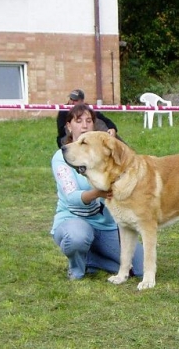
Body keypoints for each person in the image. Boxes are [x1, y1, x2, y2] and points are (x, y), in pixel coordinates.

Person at [51, 103, 143, 280]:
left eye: (89, 121)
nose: (85, 125)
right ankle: (77, 268)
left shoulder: (104, 155)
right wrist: (98, 193)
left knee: (138, 269)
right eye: (78, 121)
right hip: (73, 220)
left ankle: (91, 261)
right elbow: (71, 197)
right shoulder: (61, 157)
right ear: (69, 126)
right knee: (77, 237)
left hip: (106, 226)